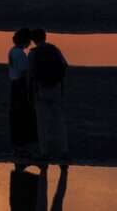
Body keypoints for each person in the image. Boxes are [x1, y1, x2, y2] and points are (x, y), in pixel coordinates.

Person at [28, 28, 69, 164]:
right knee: (59, 121)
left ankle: (44, 153)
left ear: (34, 40)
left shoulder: (33, 53)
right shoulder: (54, 49)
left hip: (41, 90)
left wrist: (31, 90)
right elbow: (64, 65)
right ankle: (64, 151)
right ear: (45, 37)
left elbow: (31, 73)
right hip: (56, 88)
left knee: (42, 123)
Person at [8, 28, 38, 154]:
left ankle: (18, 144)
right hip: (20, 85)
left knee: (17, 114)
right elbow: (25, 72)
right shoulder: (20, 54)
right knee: (23, 114)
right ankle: (22, 145)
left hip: (15, 84)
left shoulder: (13, 51)